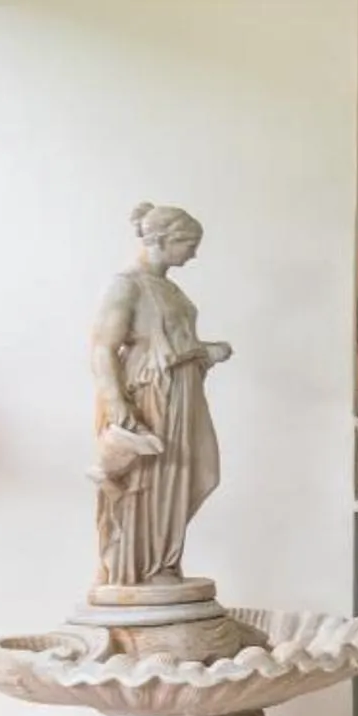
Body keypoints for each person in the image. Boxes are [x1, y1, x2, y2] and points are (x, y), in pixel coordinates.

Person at [89, 204, 231, 592]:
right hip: (153, 393)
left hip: (184, 390)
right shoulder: (127, 284)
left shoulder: (167, 286)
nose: (193, 254)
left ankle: (165, 560)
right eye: (189, 244)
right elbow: (102, 347)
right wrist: (118, 404)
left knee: (194, 473)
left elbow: (175, 342)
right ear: (162, 240)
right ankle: (143, 568)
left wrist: (205, 350)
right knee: (153, 478)